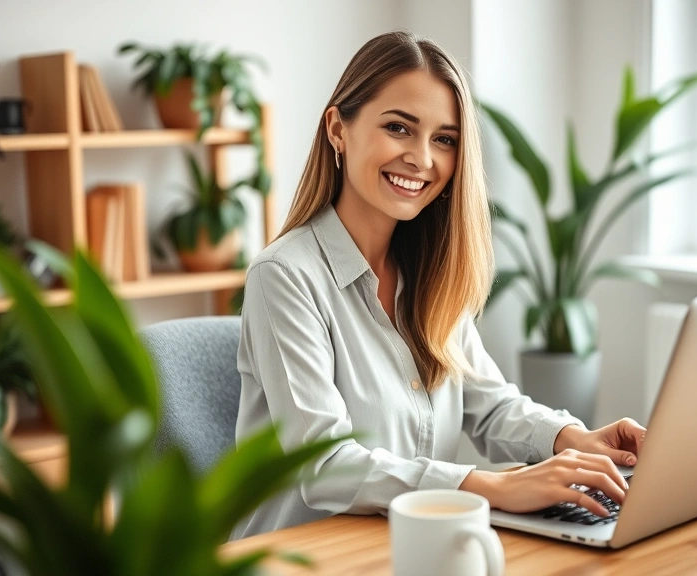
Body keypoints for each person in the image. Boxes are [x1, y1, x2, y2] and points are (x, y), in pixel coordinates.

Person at [231, 30, 646, 540]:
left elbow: (489, 404)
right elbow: (327, 466)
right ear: (338, 129)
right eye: (398, 128)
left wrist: (572, 439)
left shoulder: (429, 274)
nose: (422, 159)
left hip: (411, 546)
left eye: (444, 139)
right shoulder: (285, 278)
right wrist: (491, 488)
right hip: (305, 558)